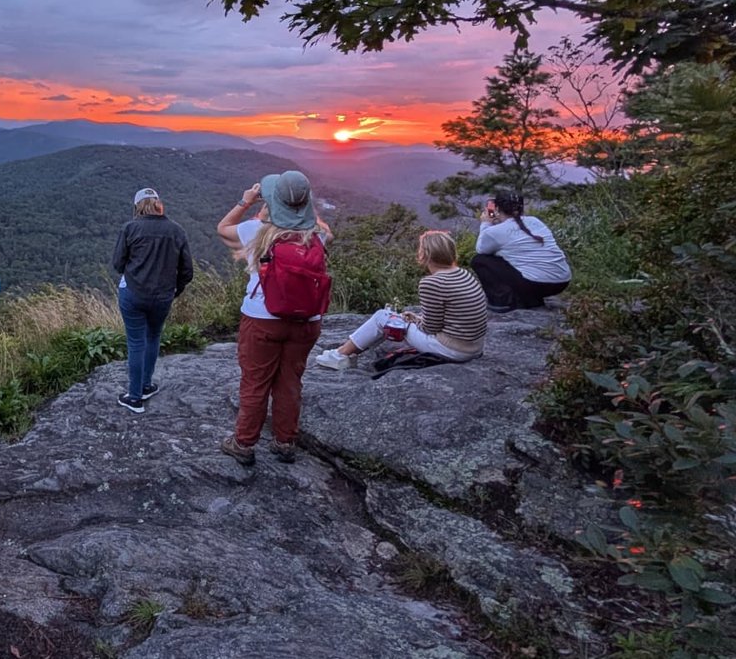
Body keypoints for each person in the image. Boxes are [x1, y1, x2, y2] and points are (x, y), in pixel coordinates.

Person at [215, 172, 331, 465]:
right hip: (306, 321)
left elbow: (223, 229)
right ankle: (285, 441)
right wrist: (301, 208)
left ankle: (243, 444)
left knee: (255, 382)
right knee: (290, 381)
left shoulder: (257, 231)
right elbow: (319, 228)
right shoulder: (319, 235)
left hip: (262, 319)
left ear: (272, 201)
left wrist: (246, 201)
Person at [314, 230, 488, 369]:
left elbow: (430, 328)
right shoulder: (463, 273)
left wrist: (415, 322)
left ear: (425, 254)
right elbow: (451, 317)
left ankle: (340, 356)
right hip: (474, 347)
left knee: (383, 317)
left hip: (452, 349)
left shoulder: (432, 282)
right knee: (393, 318)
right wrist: (417, 319)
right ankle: (347, 353)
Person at [111, 187, 194, 413]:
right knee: (154, 336)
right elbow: (187, 271)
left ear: (137, 206)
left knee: (136, 342)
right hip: (163, 296)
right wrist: (174, 290)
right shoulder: (177, 231)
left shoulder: (130, 228)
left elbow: (118, 264)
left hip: (134, 294)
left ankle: (134, 397)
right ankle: (147, 385)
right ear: (158, 204)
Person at [470, 192, 572, 312]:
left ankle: (501, 301)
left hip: (536, 284)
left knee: (479, 260)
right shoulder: (535, 221)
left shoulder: (494, 232)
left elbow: (481, 249)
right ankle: (533, 299)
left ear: (496, 209)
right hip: (562, 281)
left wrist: (486, 223)